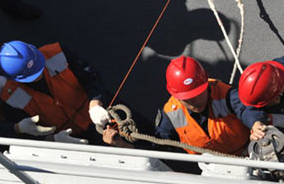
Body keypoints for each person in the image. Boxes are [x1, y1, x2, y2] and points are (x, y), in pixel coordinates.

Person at [102, 56, 253, 157]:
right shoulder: (172, 114)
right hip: (210, 169)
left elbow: (246, 108)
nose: (195, 101)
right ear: (177, 96)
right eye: (188, 98)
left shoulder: (224, 93)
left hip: (247, 153)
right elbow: (159, 148)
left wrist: (256, 124)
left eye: (198, 94)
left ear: (206, 84)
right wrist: (120, 144)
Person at [0, 40, 110, 143]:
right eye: (33, 75)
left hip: (101, 112)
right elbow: (26, 137)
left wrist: (96, 103)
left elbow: (91, 77)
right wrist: (52, 140)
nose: (39, 75)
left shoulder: (57, 53)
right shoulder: (10, 97)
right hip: (70, 138)